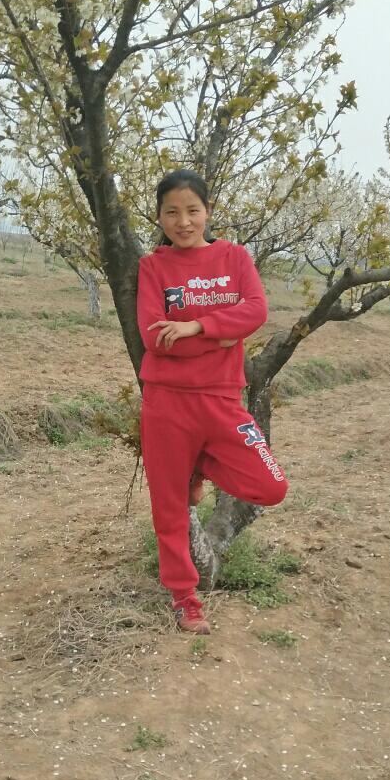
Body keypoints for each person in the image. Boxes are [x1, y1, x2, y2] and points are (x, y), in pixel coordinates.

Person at [137, 169, 289, 634]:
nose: (183, 222)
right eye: (171, 212)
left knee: (271, 485)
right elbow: (154, 338)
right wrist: (225, 334)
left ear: (208, 211)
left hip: (222, 399)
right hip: (167, 404)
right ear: (159, 217)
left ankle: (198, 467)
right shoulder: (153, 267)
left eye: (192, 211)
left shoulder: (234, 257)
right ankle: (185, 598)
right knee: (168, 507)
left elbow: (256, 309)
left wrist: (195, 326)